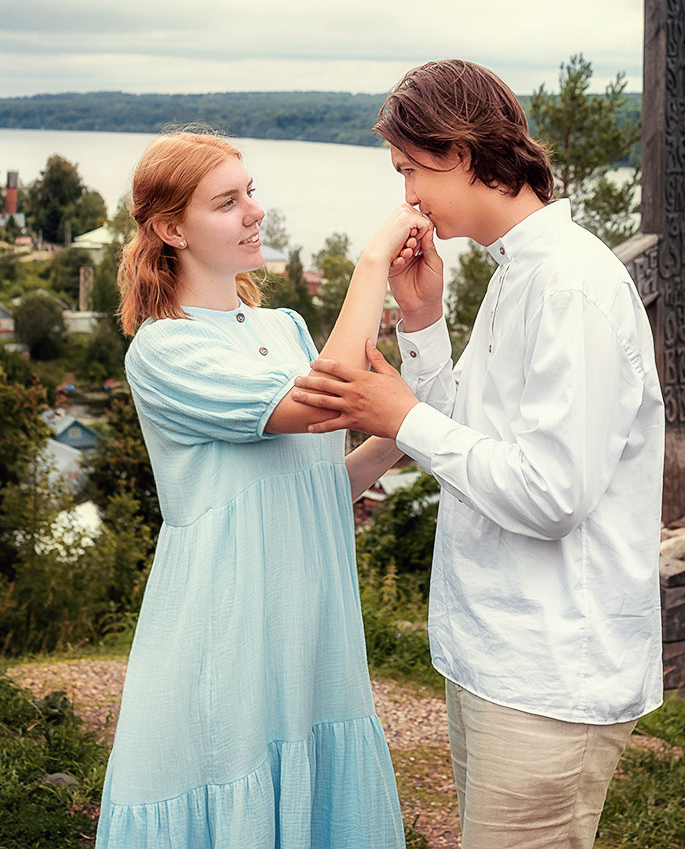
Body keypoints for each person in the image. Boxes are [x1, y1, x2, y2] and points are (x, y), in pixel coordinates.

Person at [293, 60, 666, 849]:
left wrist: (404, 417)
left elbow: (550, 493)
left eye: (411, 169)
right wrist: (425, 319)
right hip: (499, 655)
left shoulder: (570, 288)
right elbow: (482, 443)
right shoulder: (520, 272)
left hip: (551, 669)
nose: (407, 197)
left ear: (461, 152)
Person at [96, 130, 425, 847]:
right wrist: (372, 262)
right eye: (227, 201)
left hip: (310, 629)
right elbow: (323, 399)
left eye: (251, 191)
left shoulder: (285, 325)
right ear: (170, 227)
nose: (254, 212)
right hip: (228, 634)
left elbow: (314, 485)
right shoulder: (165, 347)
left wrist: (403, 425)